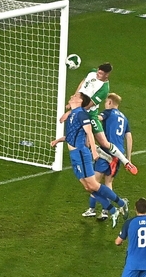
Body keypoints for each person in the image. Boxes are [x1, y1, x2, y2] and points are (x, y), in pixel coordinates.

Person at [50, 93, 129, 227]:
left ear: (80, 101)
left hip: (81, 153)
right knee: (88, 187)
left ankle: (119, 205)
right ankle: (113, 209)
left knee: (94, 185)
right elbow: (72, 135)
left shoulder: (81, 114)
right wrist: (58, 140)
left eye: (75, 96)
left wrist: (93, 151)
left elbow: (89, 133)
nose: (72, 96)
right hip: (74, 155)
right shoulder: (73, 114)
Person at [74, 62, 137, 174]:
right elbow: (84, 83)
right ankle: (109, 158)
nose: (98, 75)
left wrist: (77, 107)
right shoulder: (92, 72)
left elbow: (90, 105)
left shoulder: (104, 89)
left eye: (101, 74)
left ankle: (126, 162)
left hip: (90, 114)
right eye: (98, 72)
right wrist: (76, 96)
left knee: (104, 143)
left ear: (106, 75)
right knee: (86, 144)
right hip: (82, 111)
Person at [84, 93, 135, 220]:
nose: (105, 104)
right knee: (108, 182)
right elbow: (129, 137)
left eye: (106, 102)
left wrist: (88, 117)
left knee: (93, 183)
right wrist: (128, 158)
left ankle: (93, 209)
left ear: (110, 102)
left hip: (106, 151)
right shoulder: (124, 118)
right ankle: (105, 211)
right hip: (118, 154)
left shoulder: (108, 113)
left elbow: (97, 119)